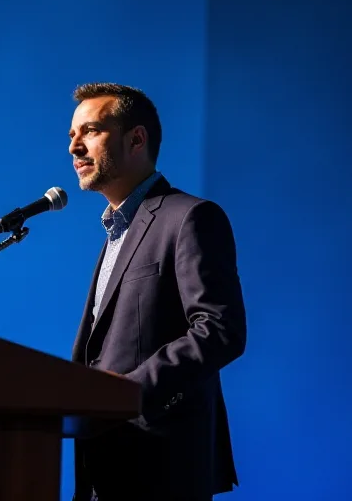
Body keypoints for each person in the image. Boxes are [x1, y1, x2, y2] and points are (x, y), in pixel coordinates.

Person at [67, 82, 247, 500]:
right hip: (104, 471)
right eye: (72, 136)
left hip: (161, 468)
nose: (75, 147)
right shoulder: (115, 235)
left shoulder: (189, 218)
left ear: (136, 139)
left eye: (90, 131)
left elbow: (220, 330)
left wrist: (131, 392)